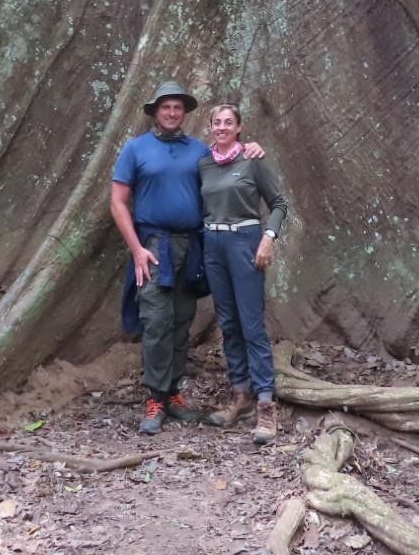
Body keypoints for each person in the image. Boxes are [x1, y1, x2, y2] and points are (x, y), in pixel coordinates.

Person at [109, 81, 263, 435]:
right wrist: (136, 249)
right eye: (166, 107)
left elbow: (229, 162)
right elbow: (117, 201)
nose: (172, 112)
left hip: (192, 246)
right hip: (153, 246)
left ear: (185, 113)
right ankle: (155, 397)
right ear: (155, 111)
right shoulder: (136, 148)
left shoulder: (199, 151)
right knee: (156, 321)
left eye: (178, 107)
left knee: (182, 320)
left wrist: (251, 148)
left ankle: (173, 393)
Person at [200, 103, 288, 445]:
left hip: (245, 242)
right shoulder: (204, 164)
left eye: (228, 122)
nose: (222, 127)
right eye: (216, 122)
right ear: (210, 127)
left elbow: (279, 204)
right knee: (228, 323)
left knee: (251, 324)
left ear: (239, 127)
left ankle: (265, 403)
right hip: (213, 244)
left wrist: (268, 238)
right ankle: (240, 393)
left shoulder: (251, 161)